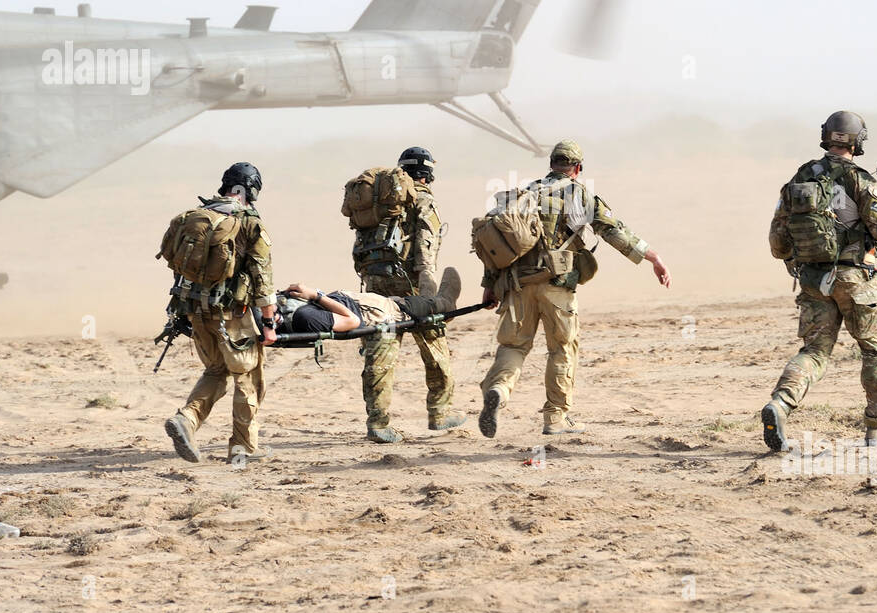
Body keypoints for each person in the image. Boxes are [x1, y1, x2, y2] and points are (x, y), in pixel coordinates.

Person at [478, 139, 671, 438]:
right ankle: (555, 417)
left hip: (517, 286)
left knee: (513, 346)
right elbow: (615, 231)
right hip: (557, 288)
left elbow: (495, 245)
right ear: (577, 169)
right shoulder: (579, 194)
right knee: (561, 349)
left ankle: (499, 391)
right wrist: (654, 258)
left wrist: (490, 285)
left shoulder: (523, 194)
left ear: (552, 165)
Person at [762, 111, 877, 451]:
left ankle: (781, 404)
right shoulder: (860, 180)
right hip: (856, 279)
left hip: (814, 281)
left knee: (815, 352)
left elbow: (778, 244)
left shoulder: (800, 179)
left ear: (826, 136)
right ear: (858, 141)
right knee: (875, 349)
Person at [163, 162, 278, 464]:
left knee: (215, 371)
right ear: (251, 190)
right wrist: (268, 322)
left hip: (195, 311)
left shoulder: (195, 218)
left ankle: (186, 419)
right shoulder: (249, 222)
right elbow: (262, 278)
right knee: (247, 377)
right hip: (232, 315)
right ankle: (243, 448)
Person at [350, 146, 465, 441]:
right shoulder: (422, 200)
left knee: (380, 352)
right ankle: (439, 413)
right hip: (411, 284)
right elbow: (426, 248)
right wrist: (430, 293)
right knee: (435, 347)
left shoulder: (382, 200)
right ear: (427, 176)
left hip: (374, 283)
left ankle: (378, 423)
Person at [282, 269, 462, 442]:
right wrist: (317, 295)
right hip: (386, 313)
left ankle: (379, 424)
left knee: (379, 366)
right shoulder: (305, 317)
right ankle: (436, 414)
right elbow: (352, 319)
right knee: (441, 307)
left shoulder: (286, 311)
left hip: (379, 307)